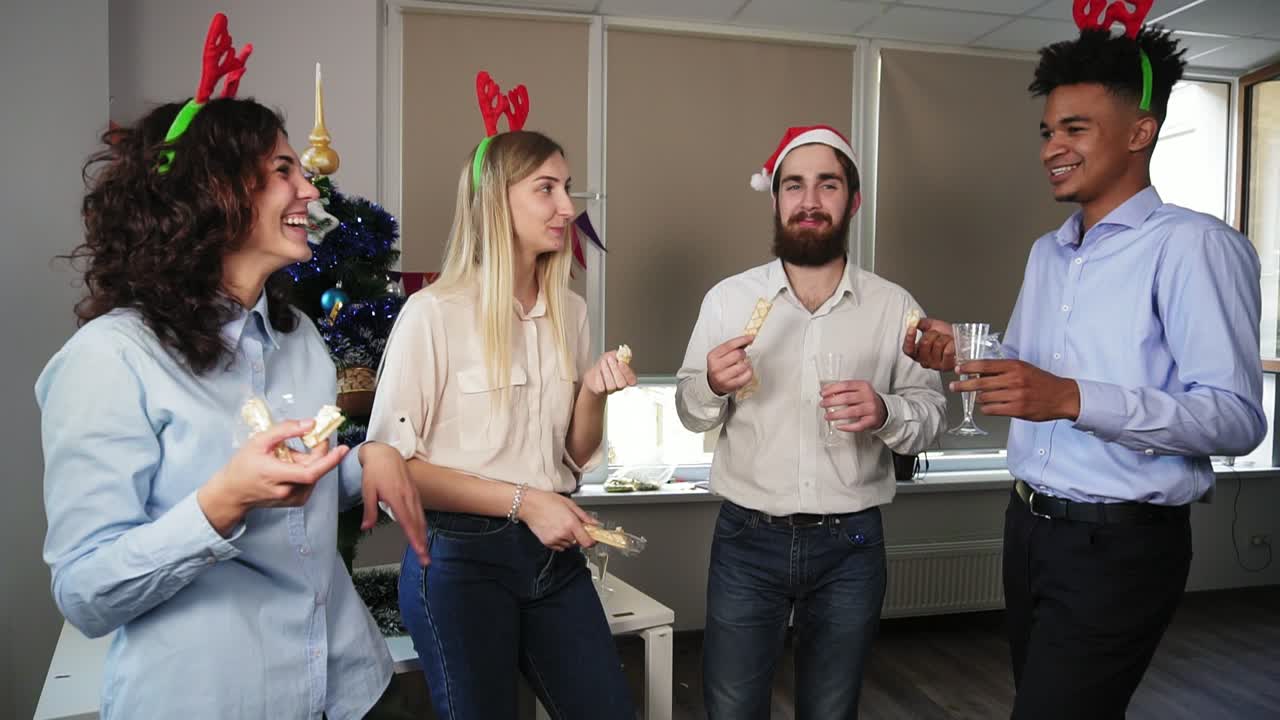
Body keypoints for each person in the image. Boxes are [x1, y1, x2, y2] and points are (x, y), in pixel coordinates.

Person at [37, 77, 429, 720]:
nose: (309, 190)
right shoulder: (109, 360)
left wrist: (368, 460)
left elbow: (307, 472)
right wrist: (225, 501)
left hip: (355, 687)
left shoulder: (298, 336)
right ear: (210, 192)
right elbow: (85, 593)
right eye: (282, 171)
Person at [904, 24, 1265, 720]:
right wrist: (968, 352)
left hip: (1122, 545)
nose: (1051, 150)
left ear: (1140, 131)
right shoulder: (1050, 252)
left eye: (1075, 129)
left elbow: (1235, 417)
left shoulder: (1194, 248)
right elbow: (1041, 365)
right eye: (1046, 132)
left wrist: (1072, 399)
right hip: (1030, 531)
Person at [365, 107, 638, 716]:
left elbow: (576, 454)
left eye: (567, 188)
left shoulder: (571, 310)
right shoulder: (432, 314)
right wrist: (527, 501)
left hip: (554, 559)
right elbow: (392, 470)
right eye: (546, 188)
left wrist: (592, 392)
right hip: (460, 563)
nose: (567, 207)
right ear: (495, 202)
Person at [675, 125, 947, 719]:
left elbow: (930, 417)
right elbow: (689, 408)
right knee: (732, 709)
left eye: (827, 185)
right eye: (793, 185)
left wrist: (886, 410)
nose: (809, 200)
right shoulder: (727, 300)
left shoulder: (895, 307)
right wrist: (711, 386)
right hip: (747, 540)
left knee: (831, 710)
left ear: (852, 200)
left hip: (850, 544)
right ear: (775, 200)